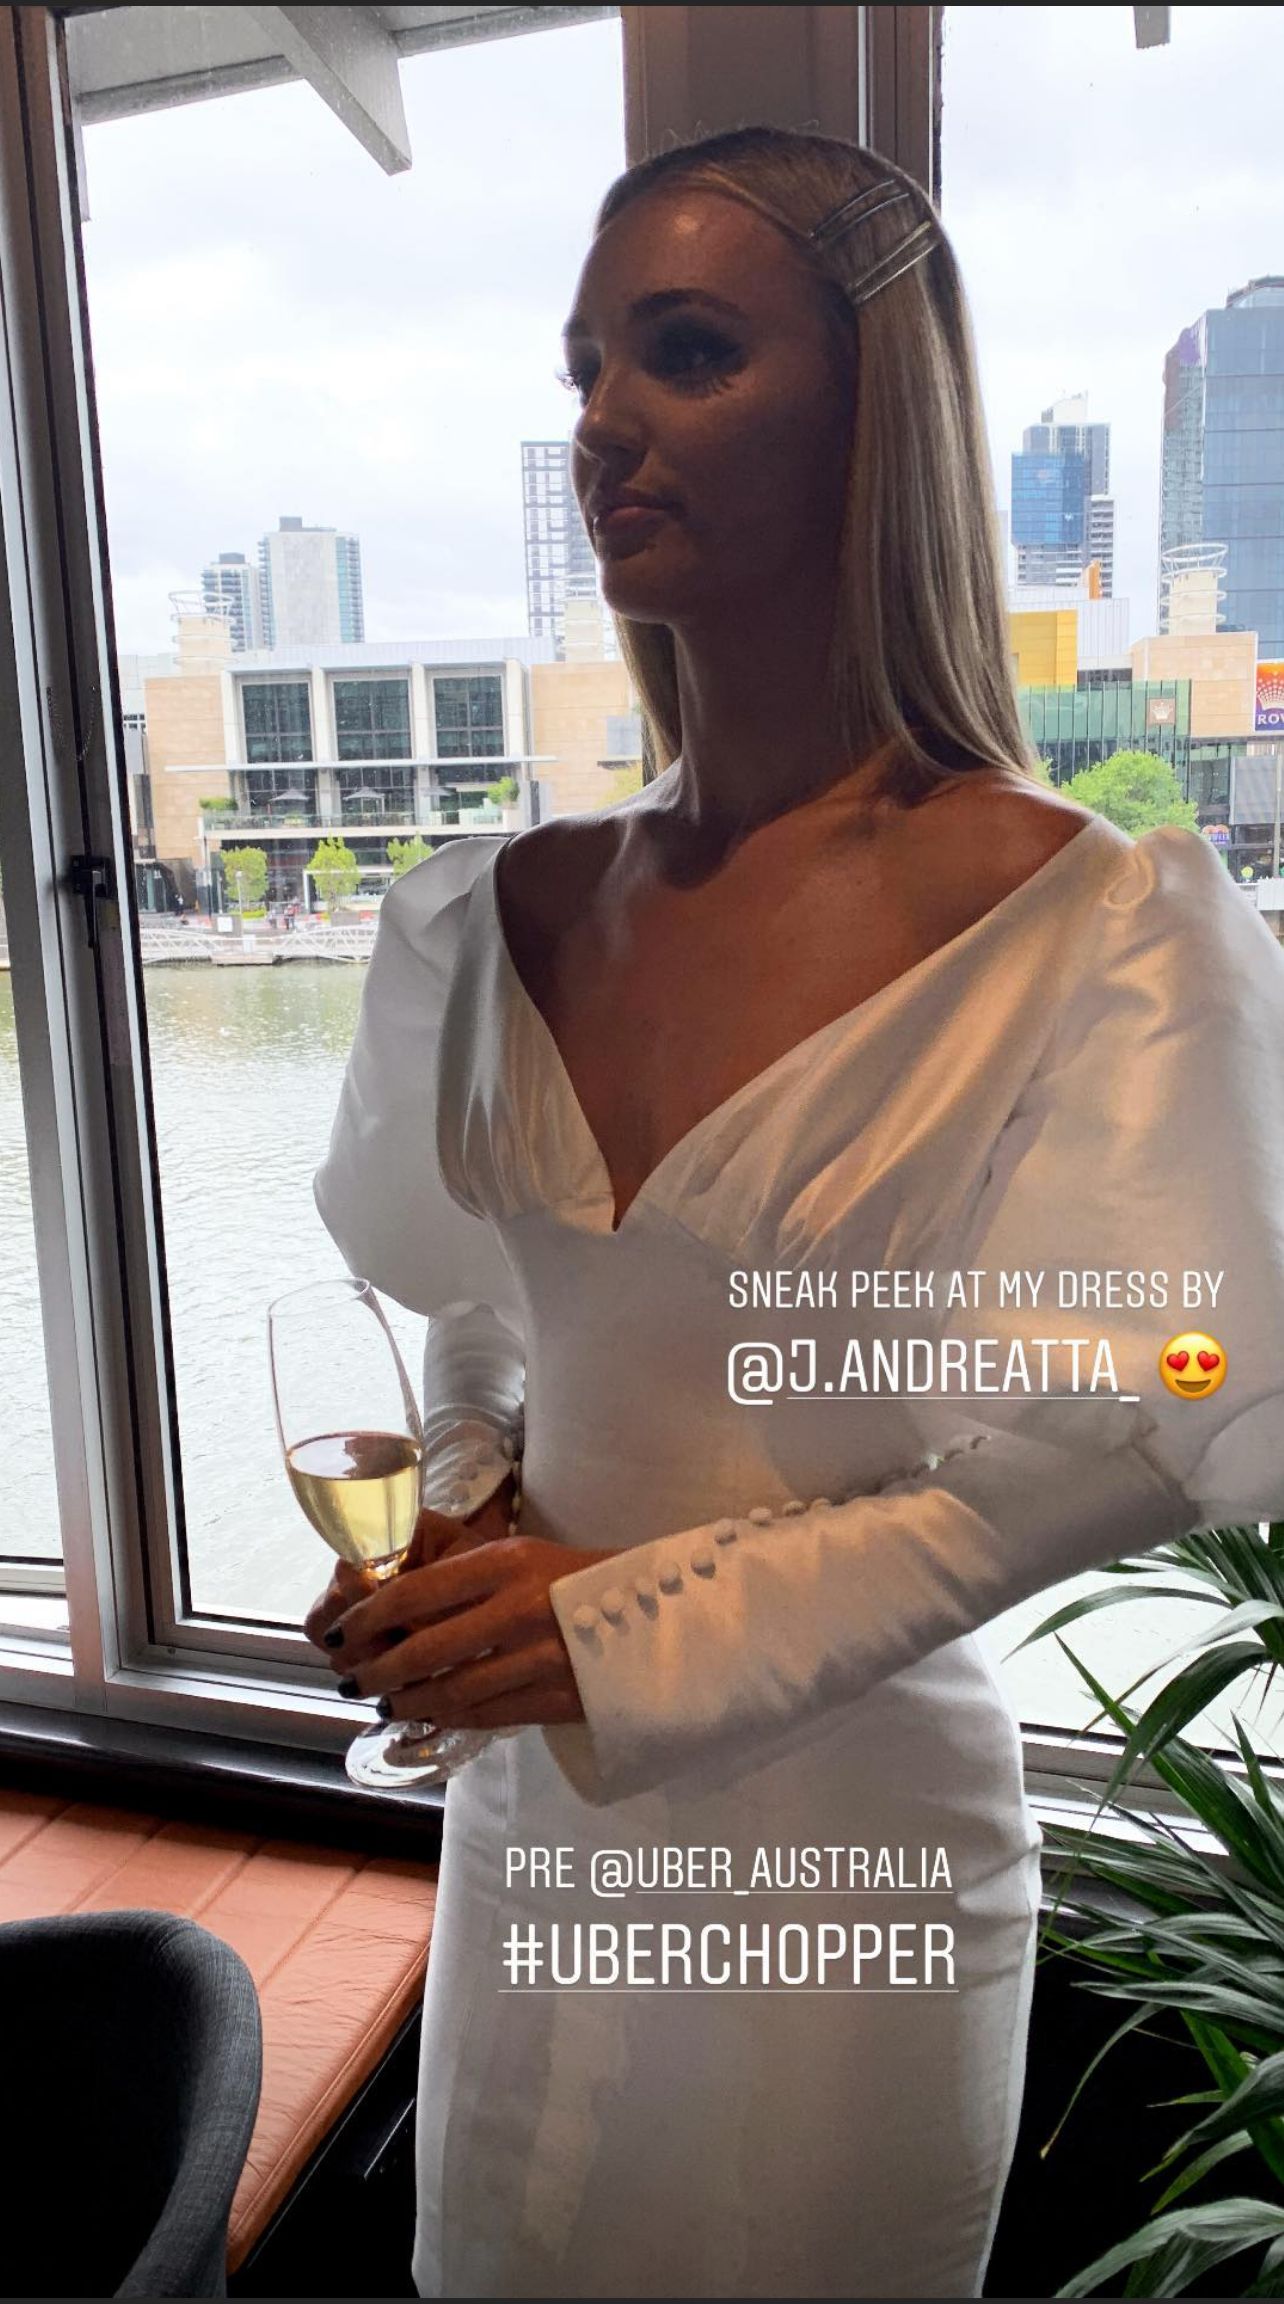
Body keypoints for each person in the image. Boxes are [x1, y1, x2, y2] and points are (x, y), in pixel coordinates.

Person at [305, 127, 1284, 2300]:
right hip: (538, 1818)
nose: (604, 423)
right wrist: (467, 1512)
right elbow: (491, 1294)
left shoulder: (1096, 921)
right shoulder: (503, 907)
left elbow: (1141, 1424)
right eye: (585, 366)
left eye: (685, 352)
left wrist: (634, 1628)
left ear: (875, 414)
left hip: (849, 1854)